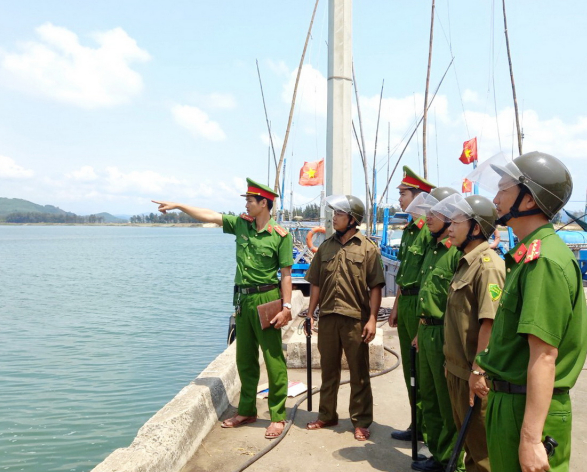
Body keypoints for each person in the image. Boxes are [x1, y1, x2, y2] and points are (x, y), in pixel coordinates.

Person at [471, 151, 587, 472]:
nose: (495, 199)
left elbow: (545, 356)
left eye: (504, 189)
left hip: (529, 407)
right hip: (510, 400)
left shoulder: (544, 261)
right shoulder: (526, 256)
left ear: (529, 198)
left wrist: (530, 438)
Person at [152, 178, 293, 440]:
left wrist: (286, 307)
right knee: (245, 359)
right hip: (243, 301)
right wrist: (180, 206)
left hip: (268, 300)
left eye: (251, 201)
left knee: (274, 361)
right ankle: (248, 410)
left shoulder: (280, 235)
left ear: (264, 203)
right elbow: (210, 215)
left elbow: (286, 275)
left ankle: (277, 416)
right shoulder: (241, 224)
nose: (247, 205)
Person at [437, 194, 505, 472]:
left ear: (476, 227)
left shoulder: (488, 265)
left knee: (483, 449)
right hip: (458, 368)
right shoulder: (466, 261)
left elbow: (488, 323)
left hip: (473, 373)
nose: (449, 227)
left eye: (457, 222)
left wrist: (479, 370)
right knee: (469, 442)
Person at [304, 194, 385, 441]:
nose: (334, 218)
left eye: (339, 214)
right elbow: (316, 283)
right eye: (334, 213)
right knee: (328, 370)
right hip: (328, 317)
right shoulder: (326, 246)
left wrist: (371, 319)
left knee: (359, 372)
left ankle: (361, 420)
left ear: (352, 219)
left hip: (355, 319)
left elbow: (376, 287)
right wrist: (310, 314)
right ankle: (327, 414)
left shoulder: (368, 248)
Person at [407, 187, 467, 472]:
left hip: (446, 331)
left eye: (435, 213)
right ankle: (439, 453)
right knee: (429, 397)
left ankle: (455, 467)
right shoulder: (432, 247)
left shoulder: (456, 251)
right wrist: (419, 330)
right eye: (428, 212)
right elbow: (426, 293)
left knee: (448, 403)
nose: (427, 218)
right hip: (427, 329)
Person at [389, 166, 436, 442]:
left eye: (404, 193)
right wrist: (395, 306)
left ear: (419, 196)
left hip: (421, 305)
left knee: (424, 371)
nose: (400, 199)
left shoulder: (428, 232)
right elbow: (404, 272)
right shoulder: (409, 231)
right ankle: (416, 424)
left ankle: (429, 431)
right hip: (405, 301)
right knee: (410, 368)